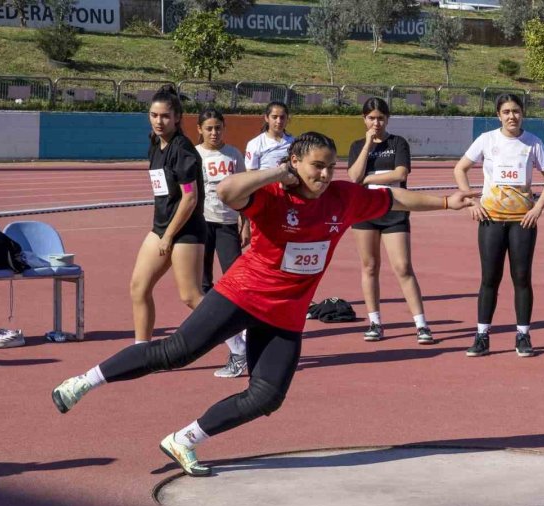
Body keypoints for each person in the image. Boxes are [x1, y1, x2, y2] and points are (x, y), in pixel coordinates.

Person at [51, 132, 477, 477]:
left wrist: (444, 202)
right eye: (317, 166)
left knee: (266, 396)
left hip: (286, 314)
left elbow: (393, 199)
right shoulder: (273, 194)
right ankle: (83, 381)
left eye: (331, 166)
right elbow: (227, 189)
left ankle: (185, 439)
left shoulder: (343, 198)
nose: (326, 174)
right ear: (295, 164)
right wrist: (276, 173)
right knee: (176, 352)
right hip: (242, 294)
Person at [453, 93, 544, 358]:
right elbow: (460, 168)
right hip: (490, 219)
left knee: (521, 279)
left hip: (522, 221)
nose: (512, 116)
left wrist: (537, 208)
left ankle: (523, 335)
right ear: (498, 115)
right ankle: (481, 336)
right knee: (490, 279)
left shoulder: (533, 143)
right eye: (506, 112)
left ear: (522, 113)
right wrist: (470, 201)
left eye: (516, 111)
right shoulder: (487, 140)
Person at [347, 97, 433, 344]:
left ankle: (421, 324)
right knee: (370, 266)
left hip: (394, 211)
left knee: (403, 267)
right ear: (364, 119)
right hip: (364, 212)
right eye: (371, 118)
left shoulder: (398, 143)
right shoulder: (357, 146)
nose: (376, 122)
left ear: (387, 119)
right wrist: (366, 146)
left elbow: (400, 173)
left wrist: (368, 179)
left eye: (380, 118)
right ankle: (375, 322)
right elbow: (353, 175)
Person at [132, 85, 207, 343]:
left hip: (186, 230)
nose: (159, 121)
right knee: (138, 289)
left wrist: (169, 236)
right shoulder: (155, 146)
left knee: (190, 296)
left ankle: (239, 344)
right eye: (154, 115)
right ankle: (141, 352)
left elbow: (190, 198)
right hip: (161, 227)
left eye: (165, 116)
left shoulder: (183, 150)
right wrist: (162, 233)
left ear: (177, 118)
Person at [195, 108, 250, 378]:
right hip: (202, 224)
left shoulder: (234, 155)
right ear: (200, 130)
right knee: (202, 284)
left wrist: (246, 221)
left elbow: (244, 190)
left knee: (237, 281)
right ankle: (219, 329)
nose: (214, 133)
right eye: (209, 128)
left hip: (228, 224)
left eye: (218, 128)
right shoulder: (195, 155)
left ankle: (243, 328)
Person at [245, 101, 294, 171]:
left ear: (287, 119)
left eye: (282, 117)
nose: (279, 121)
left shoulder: (294, 142)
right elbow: (250, 173)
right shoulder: (254, 144)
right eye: (274, 117)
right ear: (266, 118)